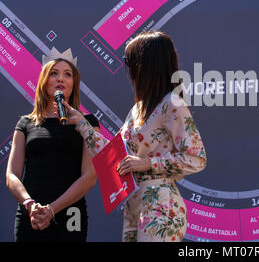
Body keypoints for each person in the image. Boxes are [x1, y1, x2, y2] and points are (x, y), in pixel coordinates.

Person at [62, 30, 207, 242]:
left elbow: (196, 158)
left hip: (161, 205)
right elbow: (115, 155)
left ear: (145, 63)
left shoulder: (172, 104)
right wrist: (82, 124)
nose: (127, 68)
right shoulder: (138, 108)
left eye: (129, 60)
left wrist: (148, 163)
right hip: (134, 203)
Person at [6, 48, 99, 242]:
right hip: (31, 216)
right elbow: (11, 175)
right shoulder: (25, 123)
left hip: (71, 216)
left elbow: (90, 176)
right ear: (44, 81)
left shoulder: (87, 122)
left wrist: (52, 209)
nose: (60, 79)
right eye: (54, 73)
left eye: (67, 74)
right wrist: (30, 205)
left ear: (74, 83)